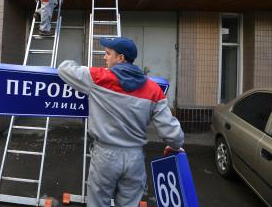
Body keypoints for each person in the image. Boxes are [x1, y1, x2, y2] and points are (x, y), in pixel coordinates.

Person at [57, 37, 184, 207]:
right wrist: (175, 146)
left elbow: (64, 69)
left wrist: (72, 60)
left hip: (105, 156)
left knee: (98, 203)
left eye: (108, 54)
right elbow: (172, 132)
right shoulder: (154, 90)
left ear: (121, 58)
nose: (104, 58)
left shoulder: (98, 78)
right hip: (135, 159)